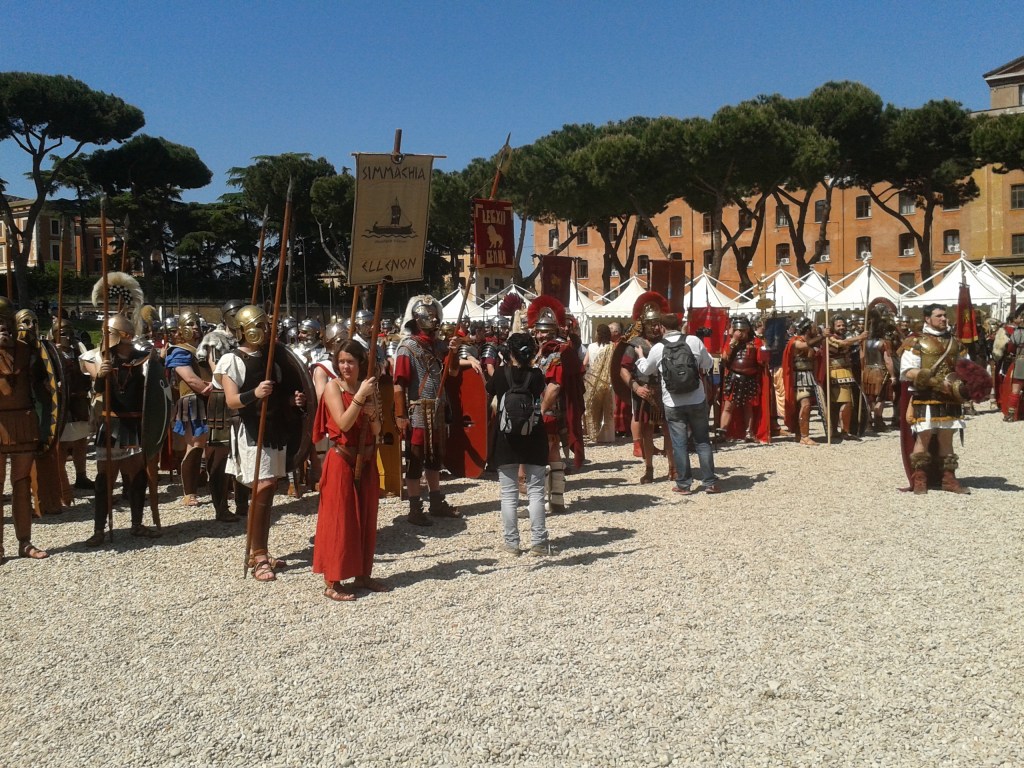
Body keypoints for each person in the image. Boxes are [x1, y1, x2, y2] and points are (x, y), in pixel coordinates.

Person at [216, 304, 308, 581]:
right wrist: (254, 393)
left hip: (275, 428)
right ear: (246, 329)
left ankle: (260, 551)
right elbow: (232, 400)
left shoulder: (272, 357)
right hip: (251, 429)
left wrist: (292, 401)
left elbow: (279, 395)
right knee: (264, 486)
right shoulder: (232, 360)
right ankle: (258, 556)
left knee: (268, 489)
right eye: (262, 326)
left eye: (268, 326)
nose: (267, 331)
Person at [80, 273, 160, 545]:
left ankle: (137, 523)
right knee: (104, 480)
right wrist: (100, 375)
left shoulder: (143, 359)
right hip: (111, 423)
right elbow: (99, 391)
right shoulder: (101, 359)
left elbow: (156, 392)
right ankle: (99, 529)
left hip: (134, 423)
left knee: (137, 476)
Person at [313, 339, 389, 601]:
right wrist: (359, 400)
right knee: (340, 521)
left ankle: (362, 574)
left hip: (366, 460)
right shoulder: (333, 387)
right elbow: (343, 424)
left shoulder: (368, 387)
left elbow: (378, 430)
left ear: (360, 364)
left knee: (366, 518)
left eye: (351, 362)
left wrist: (372, 415)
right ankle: (332, 581)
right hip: (342, 460)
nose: (346, 366)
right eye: (342, 361)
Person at [393, 295, 462, 526]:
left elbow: (451, 372)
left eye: (434, 315)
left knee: (434, 459)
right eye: (426, 315)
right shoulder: (407, 347)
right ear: (416, 318)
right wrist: (401, 415)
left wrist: (454, 351)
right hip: (418, 411)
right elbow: (399, 385)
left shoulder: (438, 345)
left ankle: (436, 502)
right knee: (415, 461)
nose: (431, 319)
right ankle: (414, 508)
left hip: (438, 410)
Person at [900, 304, 983, 494]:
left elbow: (966, 368)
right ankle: (920, 478)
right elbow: (907, 371)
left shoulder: (956, 343)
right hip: (926, 396)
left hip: (950, 398)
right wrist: (934, 381)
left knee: (947, 439)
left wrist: (968, 385)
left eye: (945, 315)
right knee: (924, 436)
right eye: (939, 316)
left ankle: (948, 479)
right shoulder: (916, 342)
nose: (944, 319)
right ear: (927, 319)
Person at [636, 313, 719, 494]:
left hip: (672, 401)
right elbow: (708, 363)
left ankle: (683, 484)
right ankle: (710, 483)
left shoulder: (658, 347)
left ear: (662, 328)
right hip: (697, 398)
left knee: (679, 443)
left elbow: (645, 369)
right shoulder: (694, 341)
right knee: (702, 441)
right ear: (681, 325)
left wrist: (641, 356)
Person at [488, 332, 551, 555]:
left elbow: (490, 393)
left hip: (505, 437)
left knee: (508, 494)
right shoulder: (536, 376)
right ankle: (539, 542)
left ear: (510, 351)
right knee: (535, 492)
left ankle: (512, 543)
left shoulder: (500, 374)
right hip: (533, 434)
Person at [0, 296, 49, 561]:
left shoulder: (27, 350)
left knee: (21, 484)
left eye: (6, 322)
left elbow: (45, 385)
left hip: (23, 422)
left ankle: (25, 543)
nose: (3, 329)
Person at [619, 291, 673, 483]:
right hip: (644, 392)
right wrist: (635, 387)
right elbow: (624, 369)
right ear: (643, 324)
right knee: (647, 433)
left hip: (665, 392)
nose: (655, 327)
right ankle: (649, 469)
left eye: (657, 323)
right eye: (651, 324)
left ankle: (672, 468)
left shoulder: (667, 342)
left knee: (669, 430)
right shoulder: (635, 344)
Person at [165, 309, 214, 509]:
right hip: (193, 400)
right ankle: (189, 492)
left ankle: (215, 485)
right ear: (181, 329)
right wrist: (210, 389)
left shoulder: (204, 349)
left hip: (211, 399)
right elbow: (190, 378)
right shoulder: (179, 351)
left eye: (197, 325)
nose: (195, 328)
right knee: (195, 445)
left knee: (213, 445)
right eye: (191, 325)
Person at [782, 318, 825, 447]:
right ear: (807, 329)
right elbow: (805, 346)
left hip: (808, 376)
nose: (815, 329)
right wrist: (823, 336)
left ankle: (799, 434)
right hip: (799, 377)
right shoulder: (795, 341)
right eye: (813, 327)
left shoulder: (810, 342)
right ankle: (804, 436)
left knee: (803, 406)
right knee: (805, 405)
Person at [582, 324, 616, 443]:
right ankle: (606, 436)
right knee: (606, 407)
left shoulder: (591, 347)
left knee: (592, 407)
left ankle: (593, 434)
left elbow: (585, 363)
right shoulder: (611, 347)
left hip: (591, 380)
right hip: (607, 380)